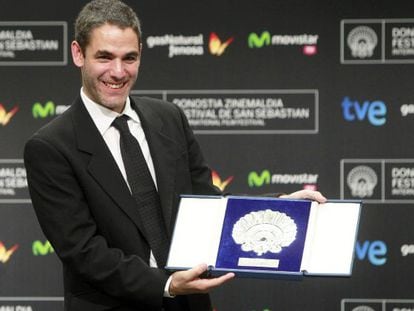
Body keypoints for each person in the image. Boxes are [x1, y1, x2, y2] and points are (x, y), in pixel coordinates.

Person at [23, 0, 327, 310]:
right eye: (104, 57)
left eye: (129, 58)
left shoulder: (168, 118)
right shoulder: (50, 147)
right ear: (78, 53)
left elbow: (207, 205)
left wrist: (278, 209)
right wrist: (166, 285)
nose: (118, 71)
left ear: (141, 53)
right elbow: (83, 251)